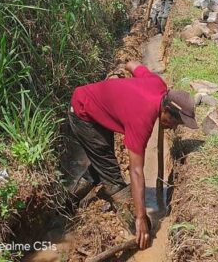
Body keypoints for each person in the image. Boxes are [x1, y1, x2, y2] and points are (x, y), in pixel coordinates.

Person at [68, 61, 198, 250]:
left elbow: (132, 65)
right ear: (166, 110)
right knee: (114, 181)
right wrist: (140, 219)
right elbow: (136, 172)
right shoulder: (142, 119)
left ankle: (67, 204)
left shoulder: (158, 84)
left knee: (102, 164)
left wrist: (121, 75)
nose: (174, 127)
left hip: (95, 108)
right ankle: (134, 234)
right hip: (83, 113)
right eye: (176, 122)